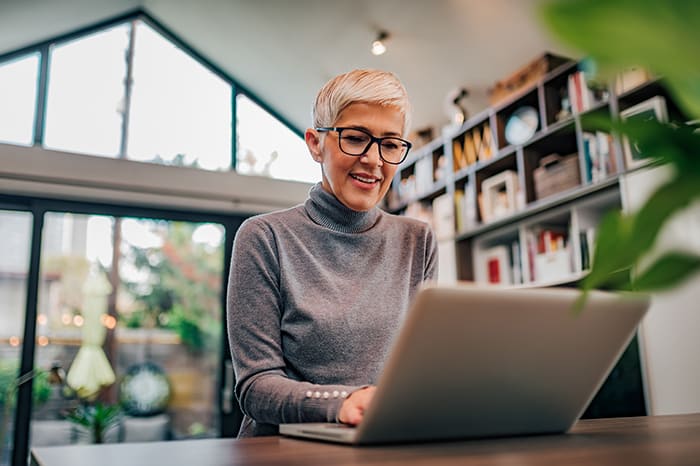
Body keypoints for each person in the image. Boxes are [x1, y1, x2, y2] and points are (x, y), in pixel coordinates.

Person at [227, 69, 438, 437]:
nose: (374, 160)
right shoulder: (264, 237)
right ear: (315, 143)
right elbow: (255, 387)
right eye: (356, 138)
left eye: (390, 144)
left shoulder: (417, 241)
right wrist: (342, 403)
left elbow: (423, 369)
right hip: (285, 452)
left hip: (384, 445)